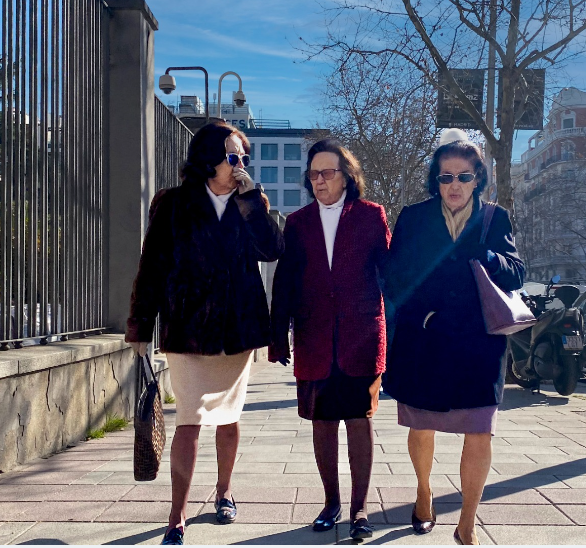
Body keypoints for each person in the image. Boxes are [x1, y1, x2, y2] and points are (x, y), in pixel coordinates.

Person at [125, 120, 284, 545]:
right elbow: (152, 267)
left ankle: (224, 491)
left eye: (244, 158)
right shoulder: (173, 203)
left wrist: (252, 201)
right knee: (190, 422)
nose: (240, 165)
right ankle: (176, 513)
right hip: (188, 329)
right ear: (208, 159)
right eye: (234, 157)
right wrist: (141, 324)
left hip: (236, 329)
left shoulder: (251, 202)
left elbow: (272, 250)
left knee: (229, 420)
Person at [382, 135, 524, 545]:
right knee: (422, 425)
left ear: (477, 178)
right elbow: (395, 277)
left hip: (479, 345)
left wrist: (491, 257)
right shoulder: (414, 217)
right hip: (427, 342)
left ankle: (467, 519)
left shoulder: (495, 219)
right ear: (436, 179)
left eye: (464, 176)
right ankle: (424, 491)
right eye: (446, 176)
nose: (455, 184)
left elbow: (515, 273)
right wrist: (421, 315)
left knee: (480, 430)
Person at [269, 139, 390, 541]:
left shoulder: (372, 216)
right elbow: (284, 283)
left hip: (361, 336)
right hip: (313, 338)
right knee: (322, 423)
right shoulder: (298, 222)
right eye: (313, 174)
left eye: (328, 172)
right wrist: (276, 336)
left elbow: (390, 275)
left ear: (346, 176)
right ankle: (331, 502)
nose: (319, 180)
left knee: (359, 421)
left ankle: (359, 508)